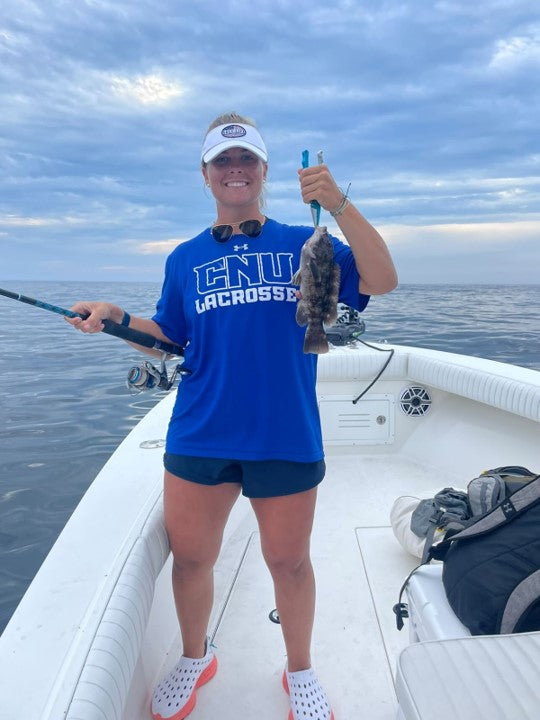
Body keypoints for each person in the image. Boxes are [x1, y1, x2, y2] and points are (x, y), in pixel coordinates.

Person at [68, 112, 397, 720]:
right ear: (206, 175)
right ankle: (196, 657)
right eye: (223, 161)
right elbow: (169, 338)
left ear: (265, 170)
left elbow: (383, 277)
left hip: (285, 429)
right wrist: (115, 318)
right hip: (202, 428)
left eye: (246, 159)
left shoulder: (308, 242)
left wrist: (339, 203)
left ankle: (300, 669)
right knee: (192, 559)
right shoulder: (185, 258)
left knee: (289, 562)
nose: (235, 170)